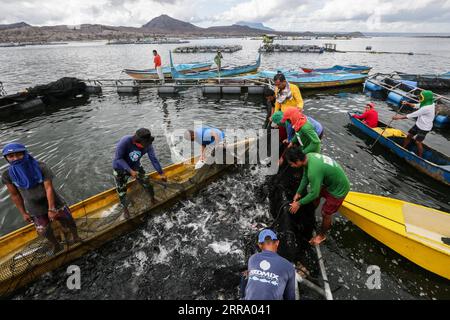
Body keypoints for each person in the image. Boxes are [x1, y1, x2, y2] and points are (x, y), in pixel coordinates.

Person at [2, 143, 80, 253]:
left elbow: (48, 188)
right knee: (43, 230)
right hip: (34, 207)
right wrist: (23, 212)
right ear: (7, 159)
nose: (15, 159)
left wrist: (51, 209)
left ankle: (76, 237)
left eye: (19, 155)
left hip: (54, 202)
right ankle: (56, 245)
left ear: (25, 154)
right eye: (11, 156)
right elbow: (15, 195)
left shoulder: (41, 166)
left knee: (67, 220)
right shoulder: (7, 175)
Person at [285, 148, 350, 245]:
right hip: (329, 182)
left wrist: (299, 203)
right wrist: (298, 192)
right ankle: (311, 213)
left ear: (298, 160)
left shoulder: (313, 170)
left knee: (325, 213)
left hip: (339, 189)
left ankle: (322, 236)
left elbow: (314, 192)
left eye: (292, 164)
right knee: (315, 197)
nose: (292, 166)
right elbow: (305, 177)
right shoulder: (308, 156)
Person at [113, 128, 167, 218]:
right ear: (136, 142)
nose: (146, 147)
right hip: (120, 169)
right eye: (143, 145)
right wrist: (130, 171)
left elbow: (153, 159)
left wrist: (161, 173)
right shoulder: (125, 141)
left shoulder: (148, 144)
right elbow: (118, 159)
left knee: (147, 182)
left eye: (147, 144)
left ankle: (152, 199)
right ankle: (125, 208)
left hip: (136, 166)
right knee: (122, 190)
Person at [243, 229, 296, 300]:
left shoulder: (252, 259)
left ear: (259, 245)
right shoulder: (289, 266)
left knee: (244, 276)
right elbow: (290, 297)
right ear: (277, 243)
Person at [392, 90, 435, 158]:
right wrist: (407, 103)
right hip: (418, 124)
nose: (420, 98)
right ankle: (403, 148)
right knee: (409, 136)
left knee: (418, 142)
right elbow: (417, 105)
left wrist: (398, 117)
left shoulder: (427, 108)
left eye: (421, 97)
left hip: (425, 128)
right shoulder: (428, 103)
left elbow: (412, 115)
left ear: (426, 98)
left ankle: (419, 157)